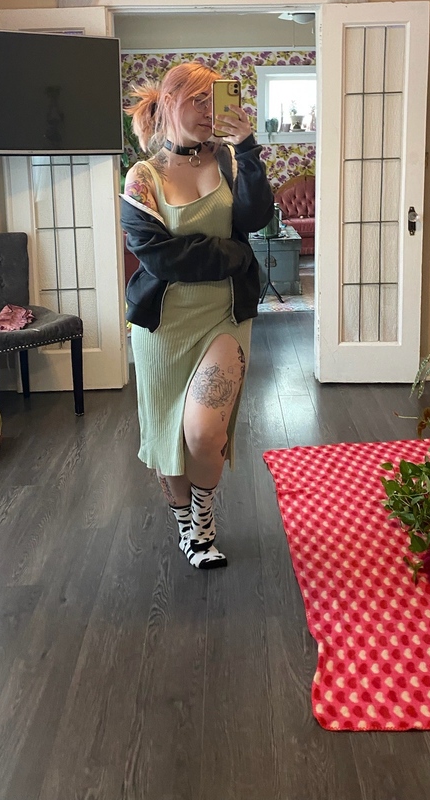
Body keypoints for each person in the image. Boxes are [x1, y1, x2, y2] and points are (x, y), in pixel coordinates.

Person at [121, 62, 274, 569]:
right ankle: (187, 524)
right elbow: (159, 256)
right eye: (197, 100)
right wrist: (233, 254)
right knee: (169, 435)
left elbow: (255, 218)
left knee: (205, 433)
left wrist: (247, 147)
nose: (209, 111)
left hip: (224, 317)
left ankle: (202, 521)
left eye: (216, 99)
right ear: (169, 102)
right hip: (162, 328)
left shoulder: (230, 160)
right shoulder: (143, 177)